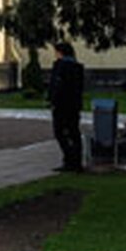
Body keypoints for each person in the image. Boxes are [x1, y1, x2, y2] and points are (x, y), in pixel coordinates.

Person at [47, 40, 85, 172]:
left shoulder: (60, 66)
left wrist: (52, 101)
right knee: (74, 132)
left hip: (61, 105)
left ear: (60, 52)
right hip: (74, 105)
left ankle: (70, 159)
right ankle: (76, 161)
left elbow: (57, 86)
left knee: (60, 132)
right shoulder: (77, 67)